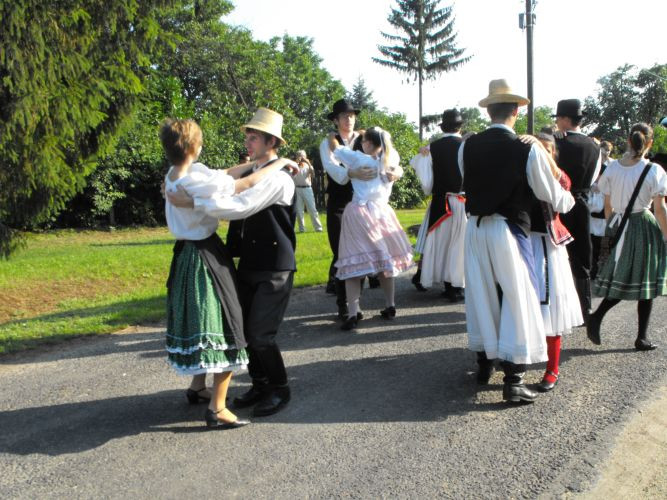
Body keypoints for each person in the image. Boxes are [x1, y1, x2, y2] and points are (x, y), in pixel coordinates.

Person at [161, 118, 296, 428]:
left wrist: (191, 200)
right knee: (244, 330)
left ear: (271, 142)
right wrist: (190, 194)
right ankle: (259, 384)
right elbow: (226, 179)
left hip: (274, 265)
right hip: (248, 261)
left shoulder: (280, 179)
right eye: (247, 136)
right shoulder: (249, 170)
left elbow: (239, 206)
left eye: (254, 137)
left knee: (260, 334)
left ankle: (279, 388)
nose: (247, 142)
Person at [459, 79, 574, 404]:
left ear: (489, 110)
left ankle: (484, 362)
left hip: (475, 227)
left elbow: (465, 179)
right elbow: (549, 193)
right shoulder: (526, 148)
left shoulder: (468, 146)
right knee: (518, 300)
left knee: (482, 296)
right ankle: (514, 379)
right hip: (509, 228)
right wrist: (569, 201)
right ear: (517, 110)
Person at [587, 123, 667, 351]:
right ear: (649, 142)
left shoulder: (612, 169)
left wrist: (613, 226)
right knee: (645, 279)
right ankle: (639, 335)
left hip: (619, 224)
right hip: (643, 223)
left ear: (628, 141)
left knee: (626, 276)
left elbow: (608, 204)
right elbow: (660, 210)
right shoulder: (655, 170)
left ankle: (604, 318)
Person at [329, 127, 413, 330]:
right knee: (384, 263)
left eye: (365, 140)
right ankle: (390, 305)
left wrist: (332, 137)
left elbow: (336, 149)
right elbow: (393, 158)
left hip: (360, 213)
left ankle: (352, 312)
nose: (362, 143)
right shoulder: (390, 163)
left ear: (368, 143)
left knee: (353, 264)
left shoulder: (359, 160)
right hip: (383, 214)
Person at [528, 132, 583, 392]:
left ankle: (552, 368)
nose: (543, 154)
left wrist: (544, 157)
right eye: (539, 150)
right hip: (523, 243)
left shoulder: (558, 175)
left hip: (549, 246)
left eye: (548, 150)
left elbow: (565, 186)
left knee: (552, 307)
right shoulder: (524, 173)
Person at [319, 99, 379, 319]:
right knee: (340, 253)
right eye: (344, 116)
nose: (349, 119)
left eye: (352, 115)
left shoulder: (365, 139)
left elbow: (385, 155)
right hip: (338, 204)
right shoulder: (327, 143)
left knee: (360, 253)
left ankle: (354, 305)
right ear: (335, 120)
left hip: (362, 204)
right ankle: (343, 304)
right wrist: (351, 173)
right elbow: (334, 171)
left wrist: (394, 170)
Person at [410, 109, 467, 301]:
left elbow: (426, 182)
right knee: (458, 245)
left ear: (443, 126)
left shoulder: (432, 148)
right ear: (461, 126)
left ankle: (447, 283)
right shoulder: (467, 146)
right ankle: (455, 285)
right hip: (463, 202)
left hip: (441, 203)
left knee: (440, 244)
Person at [553, 99, 602, 325]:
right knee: (582, 255)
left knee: (557, 254)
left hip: (558, 203)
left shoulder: (555, 143)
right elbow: (593, 179)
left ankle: (558, 306)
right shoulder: (595, 146)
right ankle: (585, 306)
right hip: (582, 202)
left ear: (564, 119)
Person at [589, 141, 613, 280]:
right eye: (603, 152)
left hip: (605, 214)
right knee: (595, 245)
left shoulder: (610, 167)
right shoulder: (594, 167)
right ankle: (595, 270)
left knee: (607, 244)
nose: (605, 154)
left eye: (607, 152)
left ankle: (605, 271)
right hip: (594, 216)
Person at [292, 150, 323, 233]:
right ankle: (302, 229)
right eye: (299, 155)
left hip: (307, 189)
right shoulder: (294, 166)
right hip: (297, 189)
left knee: (312, 209)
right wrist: (296, 164)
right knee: (299, 210)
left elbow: (313, 174)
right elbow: (291, 175)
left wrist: (309, 164)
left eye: (302, 155)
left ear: (305, 156)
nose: (301, 157)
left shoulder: (308, 166)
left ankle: (318, 228)